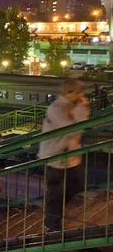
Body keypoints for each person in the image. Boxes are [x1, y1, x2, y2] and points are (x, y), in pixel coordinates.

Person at [38, 78, 90, 232]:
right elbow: (73, 129)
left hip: (70, 157)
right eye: (79, 92)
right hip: (54, 157)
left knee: (77, 185)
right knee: (55, 193)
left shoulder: (72, 105)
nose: (82, 95)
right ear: (68, 92)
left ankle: (55, 216)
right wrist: (82, 110)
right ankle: (52, 227)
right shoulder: (57, 108)